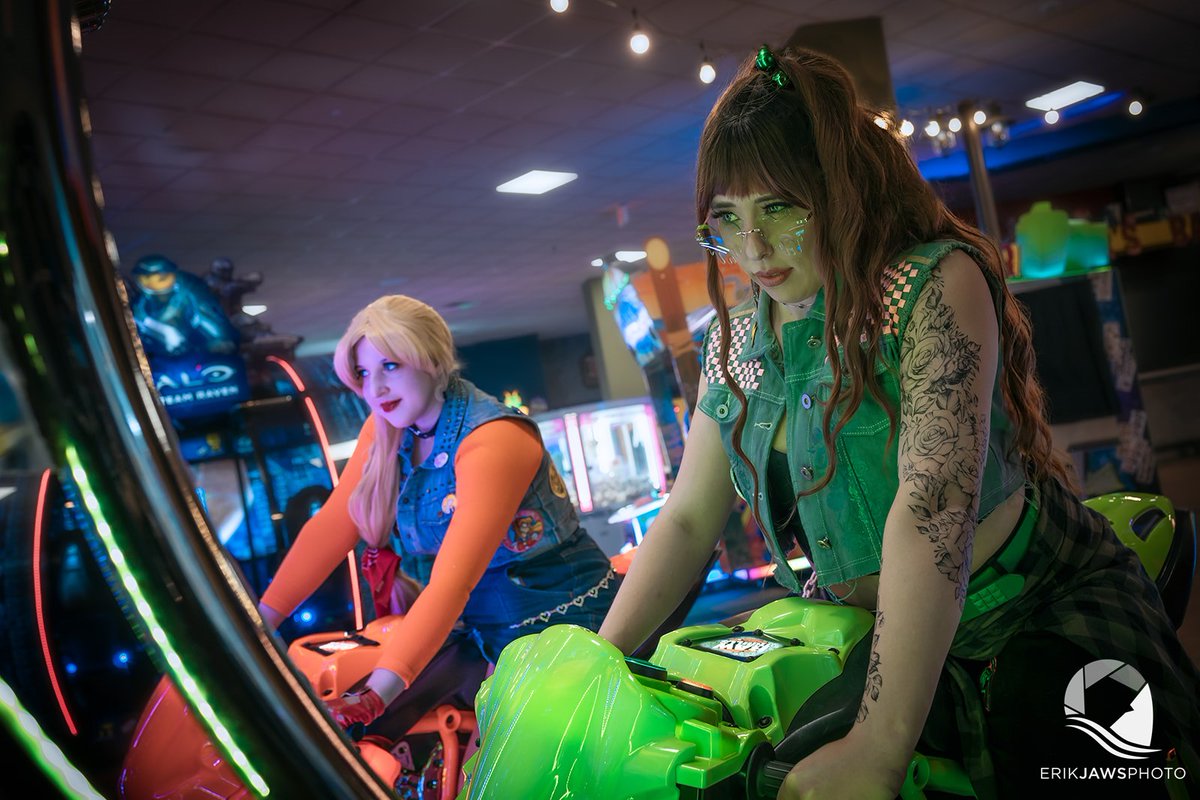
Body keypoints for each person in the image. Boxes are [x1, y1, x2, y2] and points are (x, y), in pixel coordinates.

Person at [598, 46, 1198, 799]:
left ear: (838, 189)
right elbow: (688, 519)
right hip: (867, 630)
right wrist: (597, 661)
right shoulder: (734, 342)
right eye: (728, 220)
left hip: (1026, 605)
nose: (753, 250)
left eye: (780, 208)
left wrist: (880, 746)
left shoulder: (930, 284)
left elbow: (933, 506)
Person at [258, 295, 618, 736]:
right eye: (364, 373)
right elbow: (334, 525)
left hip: (560, 622)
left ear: (429, 358)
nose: (376, 388)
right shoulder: (387, 427)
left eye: (390, 365)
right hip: (480, 624)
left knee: (520, 770)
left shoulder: (493, 438)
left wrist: (378, 694)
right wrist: (259, 623)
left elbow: (453, 580)